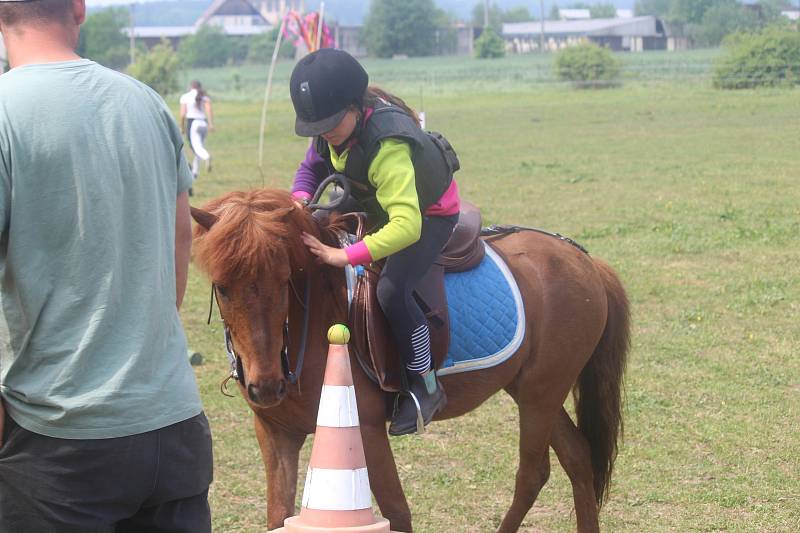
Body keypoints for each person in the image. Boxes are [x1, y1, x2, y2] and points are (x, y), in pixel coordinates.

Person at [0, 2, 212, 532]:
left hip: (57, 437)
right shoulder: (145, 101)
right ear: (79, 8)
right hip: (173, 425)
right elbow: (180, 235)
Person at [289, 48, 462, 436]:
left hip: (427, 215)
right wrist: (299, 200)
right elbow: (310, 168)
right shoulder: (330, 129)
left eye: (331, 122)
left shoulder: (388, 145)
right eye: (316, 125)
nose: (324, 132)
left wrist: (345, 255)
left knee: (391, 290)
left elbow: (406, 225)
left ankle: (425, 384)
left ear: (355, 107)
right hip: (375, 200)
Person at [180, 80, 214, 191]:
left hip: (193, 123)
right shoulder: (204, 97)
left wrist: (182, 127)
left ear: (191, 87)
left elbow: (182, 114)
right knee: (199, 147)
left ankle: (207, 157)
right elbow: (209, 110)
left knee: (196, 148)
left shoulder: (185, 97)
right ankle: (195, 172)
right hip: (203, 123)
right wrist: (211, 124)